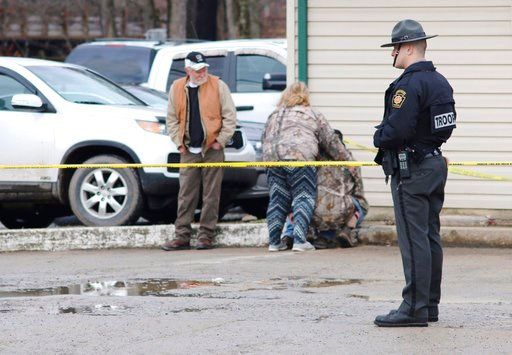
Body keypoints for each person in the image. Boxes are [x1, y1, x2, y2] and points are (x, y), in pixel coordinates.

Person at [373, 19, 456, 327]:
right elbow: (445, 125)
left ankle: (414, 307)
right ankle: (429, 304)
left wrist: (378, 137)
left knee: (413, 238)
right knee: (430, 236)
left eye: (395, 47)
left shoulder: (409, 84)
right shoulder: (440, 81)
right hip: (433, 164)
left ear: (408, 47)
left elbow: (396, 131)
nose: (391, 53)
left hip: (412, 169)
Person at [262, 82, 352, 252]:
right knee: (303, 196)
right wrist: (347, 160)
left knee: (277, 199)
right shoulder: (311, 113)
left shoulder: (274, 114)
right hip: (299, 158)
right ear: (305, 96)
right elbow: (330, 141)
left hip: (272, 158)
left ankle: (274, 242)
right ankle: (299, 241)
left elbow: (263, 137)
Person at [162, 51, 236, 251]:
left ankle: (206, 236)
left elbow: (230, 118)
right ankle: (182, 236)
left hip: (212, 148)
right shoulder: (177, 87)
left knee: (212, 194)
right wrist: (179, 143)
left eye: (204, 68)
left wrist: (220, 141)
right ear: (188, 70)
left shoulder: (219, 85)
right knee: (186, 194)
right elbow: (172, 120)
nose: (202, 72)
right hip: (188, 150)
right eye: (197, 70)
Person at [281, 131, 369, 249]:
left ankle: (290, 233)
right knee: (360, 206)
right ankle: (338, 233)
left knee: (297, 200)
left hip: (312, 213)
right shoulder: (351, 163)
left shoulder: (311, 161)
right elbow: (359, 194)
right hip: (339, 211)